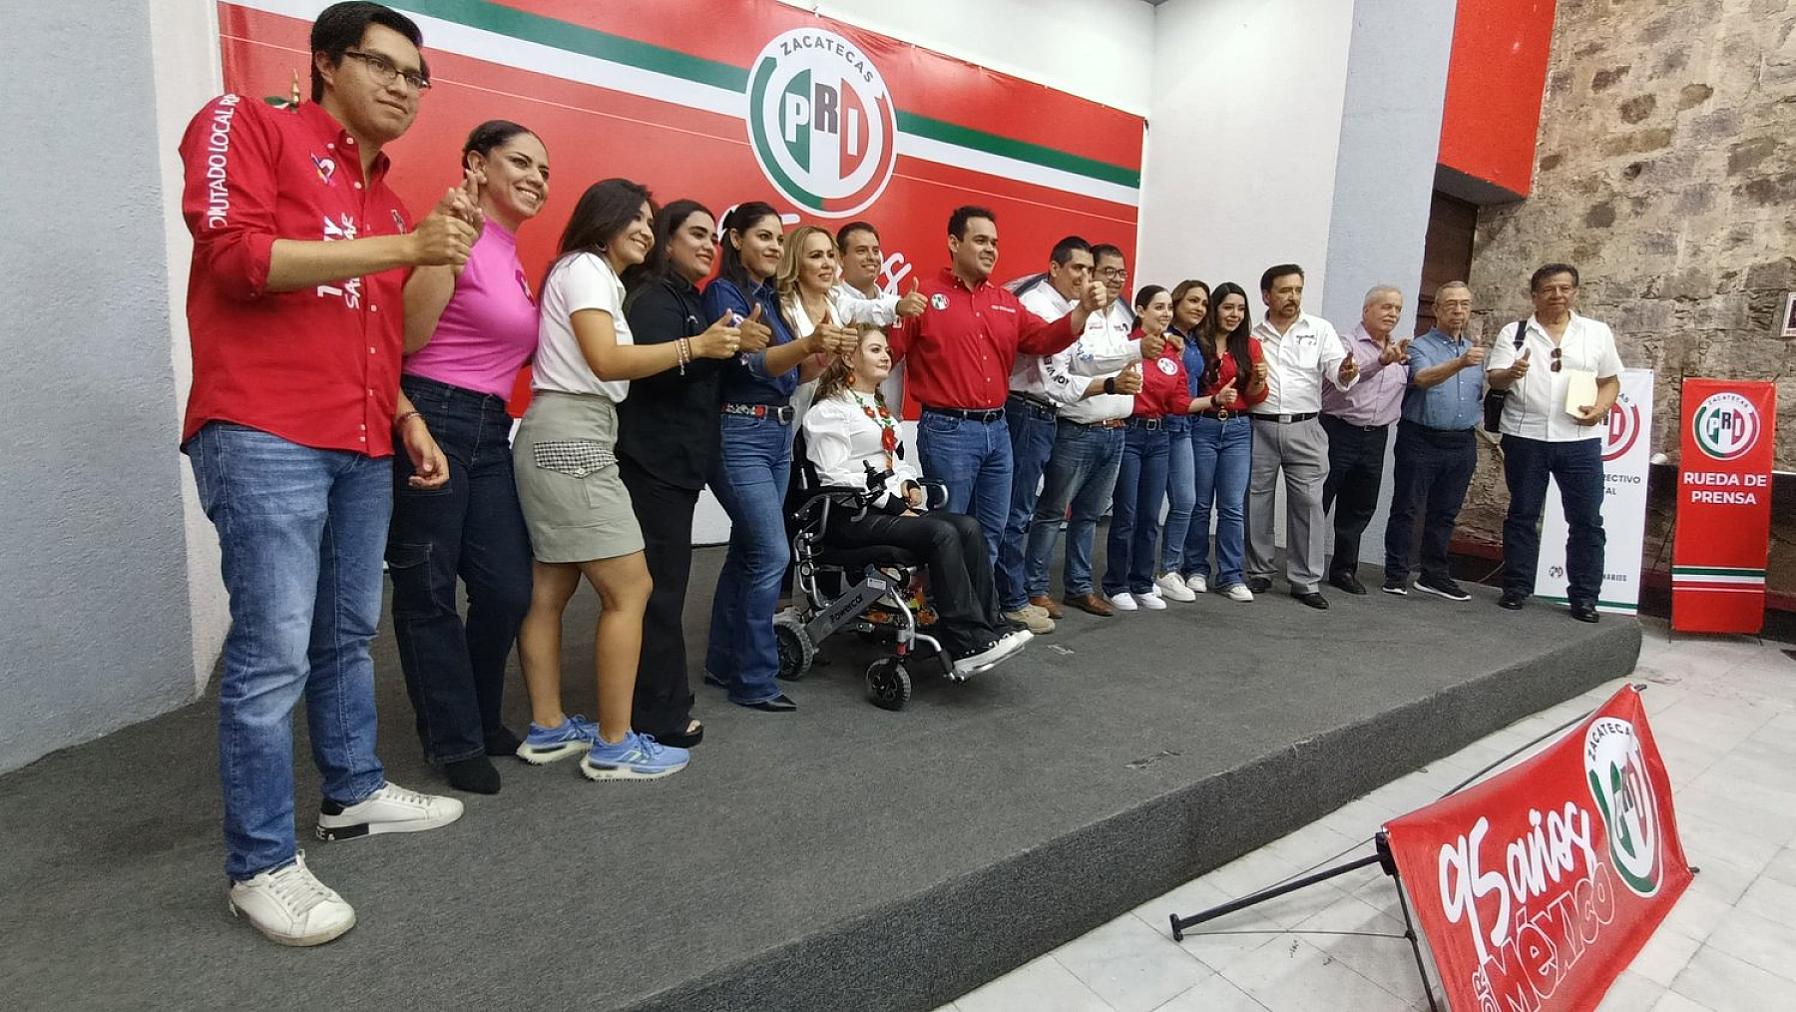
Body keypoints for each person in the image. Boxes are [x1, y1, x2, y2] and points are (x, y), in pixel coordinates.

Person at [178, 0, 469, 946]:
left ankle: (351, 792)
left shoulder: (390, 201)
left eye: (417, 77)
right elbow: (237, 259)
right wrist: (410, 246)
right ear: (328, 63)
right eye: (384, 65)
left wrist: (408, 411)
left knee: (346, 632)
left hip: (362, 438)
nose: (404, 88)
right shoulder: (248, 121)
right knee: (271, 652)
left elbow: (396, 335)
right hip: (264, 428)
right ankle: (260, 864)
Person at [512, 178, 739, 780]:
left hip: (562, 430)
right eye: (633, 219)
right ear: (603, 221)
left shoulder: (587, 274)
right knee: (633, 589)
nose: (644, 230)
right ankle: (614, 744)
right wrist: (696, 346)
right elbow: (608, 360)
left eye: (648, 220)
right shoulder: (588, 268)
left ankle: (549, 726)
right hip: (574, 438)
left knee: (550, 591)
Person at [386, 120, 547, 796]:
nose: (536, 178)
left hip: (489, 428)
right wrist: (446, 244)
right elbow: (406, 337)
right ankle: (453, 739)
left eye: (544, 170)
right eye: (521, 162)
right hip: (432, 415)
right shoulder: (453, 229)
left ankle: (479, 717)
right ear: (476, 164)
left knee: (507, 588)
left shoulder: (507, 252)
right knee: (427, 590)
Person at [803, 327, 1030, 675]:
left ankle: (990, 626)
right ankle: (965, 641)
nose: (886, 356)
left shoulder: (877, 408)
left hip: (883, 510)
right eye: (875, 350)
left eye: (886, 350)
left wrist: (908, 482)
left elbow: (892, 462)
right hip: (850, 517)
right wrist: (894, 505)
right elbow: (834, 476)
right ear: (848, 357)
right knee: (941, 532)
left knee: (969, 526)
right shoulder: (829, 411)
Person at [616, 199, 758, 749]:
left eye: (712, 237)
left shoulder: (689, 299)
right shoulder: (654, 297)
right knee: (659, 592)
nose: (707, 245)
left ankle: (659, 700)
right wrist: (708, 349)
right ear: (665, 240)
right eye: (696, 234)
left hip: (675, 468)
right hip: (652, 465)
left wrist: (729, 348)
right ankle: (658, 714)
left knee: (663, 589)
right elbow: (648, 372)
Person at [886, 206, 1102, 567]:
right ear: (954, 243)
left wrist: (1083, 311)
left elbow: (1045, 339)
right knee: (948, 533)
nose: (990, 249)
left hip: (999, 430)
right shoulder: (923, 295)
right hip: (948, 431)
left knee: (991, 533)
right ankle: (943, 602)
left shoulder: (1005, 302)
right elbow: (887, 357)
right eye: (981, 240)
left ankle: (979, 602)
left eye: (995, 243)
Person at [703, 203, 850, 712]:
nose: (772, 246)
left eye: (777, 239)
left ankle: (724, 661)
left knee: (748, 551)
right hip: (741, 430)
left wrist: (822, 355)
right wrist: (807, 343)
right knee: (771, 554)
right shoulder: (724, 292)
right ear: (735, 239)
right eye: (762, 236)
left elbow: (788, 373)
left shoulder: (767, 297)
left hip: (777, 434)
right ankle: (755, 678)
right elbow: (751, 365)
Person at [1020, 244, 1155, 617]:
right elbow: (1078, 366)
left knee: (1089, 516)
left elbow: (1107, 363)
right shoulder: (1074, 312)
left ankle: (1079, 587)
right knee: (1051, 512)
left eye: (1120, 273)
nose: (1114, 279)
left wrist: (1135, 356)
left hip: (1116, 429)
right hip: (1077, 428)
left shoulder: (1123, 315)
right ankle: (1033, 588)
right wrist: (1114, 378)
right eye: (1106, 271)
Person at [1486, 263, 1623, 623]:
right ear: (1535, 296)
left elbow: (1610, 381)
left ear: (1575, 292)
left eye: (1564, 288)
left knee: (1587, 520)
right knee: (1522, 514)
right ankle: (1516, 587)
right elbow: (1495, 379)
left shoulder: (1596, 332)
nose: (1557, 295)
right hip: (1526, 436)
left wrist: (1600, 409)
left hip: (1579, 440)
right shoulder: (1515, 333)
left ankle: (1585, 597)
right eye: (1548, 289)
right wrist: (1511, 372)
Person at [1105, 286, 1242, 609]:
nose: (1166, 313)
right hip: (1130, 434)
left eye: (1168, 307)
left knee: (1150, 515)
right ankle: (1116, 584)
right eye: (1159, 307)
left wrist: (1215, 400)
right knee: (1126, 514)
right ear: (1140, 310)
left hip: (1161, 437)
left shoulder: (1172, 353)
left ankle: (1142, 581)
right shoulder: (1125, 345)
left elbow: (1179, 402)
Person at [1246, 264, 1359, 610]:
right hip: (1259, 425)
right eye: (1285, 291)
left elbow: (1338, 370)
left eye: (1297, 290)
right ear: (1267, 295)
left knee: (1309, 503)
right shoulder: (1252, 333)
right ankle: (1259, 570)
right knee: (1256, 499)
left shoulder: (1320, 329)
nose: (1293, 297)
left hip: (1306, 426)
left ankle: (1305, 580)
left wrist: (1346, 372)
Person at [999, 235, 1097, 634]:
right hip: (1026, 411)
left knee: (1019, 510)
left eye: (1090, 270)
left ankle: (1007, 595)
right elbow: (1058, 378)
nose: (1085, 276)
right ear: (1055, 268)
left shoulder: (1066, 308)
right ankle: (1010, 599)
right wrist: (1108, 385)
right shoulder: (1038, 305)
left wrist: (1134, 351)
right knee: (1015, 512)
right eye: (1077, 268)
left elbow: (1083, 363)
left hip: (1041, 414)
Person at [1382, 282, 1483, 601]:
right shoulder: (1420, 347)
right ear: (1436, 309)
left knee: (1445, 512)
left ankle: (1434, 574)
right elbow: (1422, 378)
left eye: (1464, 304)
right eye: (1451, 304)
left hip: (1462, 441)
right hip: (1421, 438)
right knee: (1407, 508)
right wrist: (1461, 363)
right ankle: (1396, 574)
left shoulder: (1474, 350)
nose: (1458, 310)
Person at [1319, 286, 1412, 596]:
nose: (1392, 314)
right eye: (1386, 307)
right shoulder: (1344, 343)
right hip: (1338, 430)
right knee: (1319, 500)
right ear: (1366, 310)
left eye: (1397, 309)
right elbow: (1344, 380)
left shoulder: (1402, 351)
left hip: (1376, 437)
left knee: (1359, 506)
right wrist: (1380, 362)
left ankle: (1344, 570)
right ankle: (1305, 567)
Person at [1183, 282, 1268, 601]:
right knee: (1200, 503)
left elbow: (1256, 396)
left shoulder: (1250, 346)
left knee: (1232, 506)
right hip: (1203, 426)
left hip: (1237, 428)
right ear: (1215, 309)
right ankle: (1195, 568)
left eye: (1241, 309)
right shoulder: (1196, 342)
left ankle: (1231, 576)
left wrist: (1258, 380)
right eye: (1228, 307)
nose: (1235, 314)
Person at [1155, 279, 1210, 601]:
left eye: (1203, 303)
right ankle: (1135, 574)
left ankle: (1168, 570)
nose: (1199, 307)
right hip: (1157, 427)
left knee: (1186, 501)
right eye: (1192, 300)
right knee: (1144, 508)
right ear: (1176, 302)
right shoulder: (1162, 336)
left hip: (1184, 429)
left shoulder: (1194, 341)